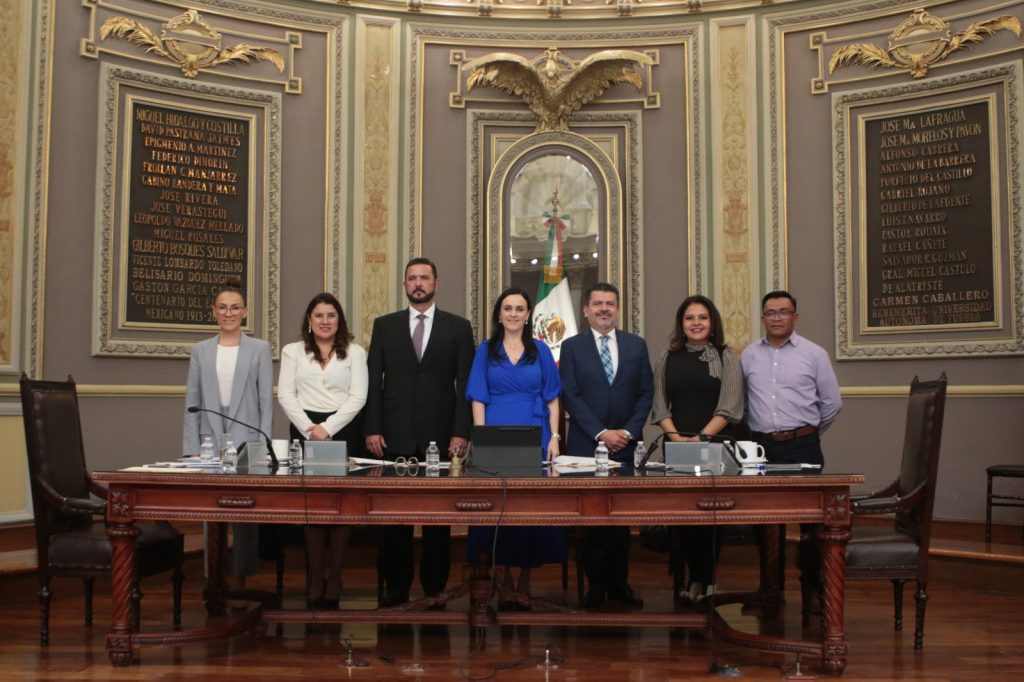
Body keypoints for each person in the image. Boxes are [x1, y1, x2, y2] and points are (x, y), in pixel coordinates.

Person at [364, 257, 475, 606]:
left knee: (437, 519)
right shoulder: (384, 326)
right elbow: (373, 380)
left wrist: (461, 432)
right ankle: (396, 589)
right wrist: (372, 427)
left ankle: (434, 589)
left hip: (441, 437)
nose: (418, 283)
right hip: (393, 434)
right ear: (404, 285)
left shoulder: (458, 328)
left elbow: (465, 384)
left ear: (436, 283)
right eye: (412, 278)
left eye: (424, 277)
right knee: (394, 518)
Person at [740, 290, 842, 615]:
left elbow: (832, 404)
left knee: (812, 526)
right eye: (771, 313)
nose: (777, 318)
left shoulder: (814, 354)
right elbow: (743, 405)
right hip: (762, 449)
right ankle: (770, 590)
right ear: (762, 318)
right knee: (765, 523)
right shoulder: (748, 356)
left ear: (795, 316)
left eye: (784, 312)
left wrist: (806, 434)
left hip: (803, 446)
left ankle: (813, 589)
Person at [560, 282, 654, 610]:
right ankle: (595, 585)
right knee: (592, 519)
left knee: (620, 519)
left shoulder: (636, 345)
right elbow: (570, 394)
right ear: (586, 310)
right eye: (597, 303)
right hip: (587, 445)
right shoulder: (571, 347)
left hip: (626, 445)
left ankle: (619, 584)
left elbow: (646, 393)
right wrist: (601, 433)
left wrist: (626, 432)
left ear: (618, 309)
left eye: (610, 303)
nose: (604, 309)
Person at [466, 287, 563, 605]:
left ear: (528, 314)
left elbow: (552, 398)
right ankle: (503, 574)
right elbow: (478, 397)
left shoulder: (541, 350)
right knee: (498, 507)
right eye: (508, 308)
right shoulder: (485, 350)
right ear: (499, 314)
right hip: (496, 434)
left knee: (528, 508)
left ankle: (525, 576)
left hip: (535, 433)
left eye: (520, 309)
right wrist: (481, 439)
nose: (513, 314)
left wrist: (554, 437)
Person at [650, 295, 744, 603]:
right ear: (681, 324)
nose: (696, 323)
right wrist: (677, 439)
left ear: (712, 322)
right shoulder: (667, 357)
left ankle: (707, 580)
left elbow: (729, 406)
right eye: (689, 318)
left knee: (709, 516)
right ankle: (689, 579)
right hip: (677, 446)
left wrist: (701, 438)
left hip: (713, 445)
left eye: (702, 317)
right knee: (685, 516)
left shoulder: (726, 356)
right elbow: (660, 405)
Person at [277, 292, 367, 609]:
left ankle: (336, 576)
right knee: (312, 505)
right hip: (305, 431)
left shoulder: (355, 353)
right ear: (309, 320)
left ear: (339, 320)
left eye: (331, 315)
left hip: (344, 430)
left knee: (340, 506)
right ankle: (315, 576)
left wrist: (328, 428)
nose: (325, 321)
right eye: (319, 315)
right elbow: (286, 395)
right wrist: (310, 429)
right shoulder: (292, 352)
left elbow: (358, 397)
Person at [183, 276, 273, 584]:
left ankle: (244, 578)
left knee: (246, 512)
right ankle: (215, 578)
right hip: (209, 441)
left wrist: (262, 447)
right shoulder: (201, 350)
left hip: (248, 440)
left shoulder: (259, 349)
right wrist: (191, 449)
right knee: (212, 510)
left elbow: (265, 403)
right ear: (214, 311)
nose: (229, 313)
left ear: (244, 312)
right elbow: (192, 402)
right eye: (222, 307)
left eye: (235, 308)